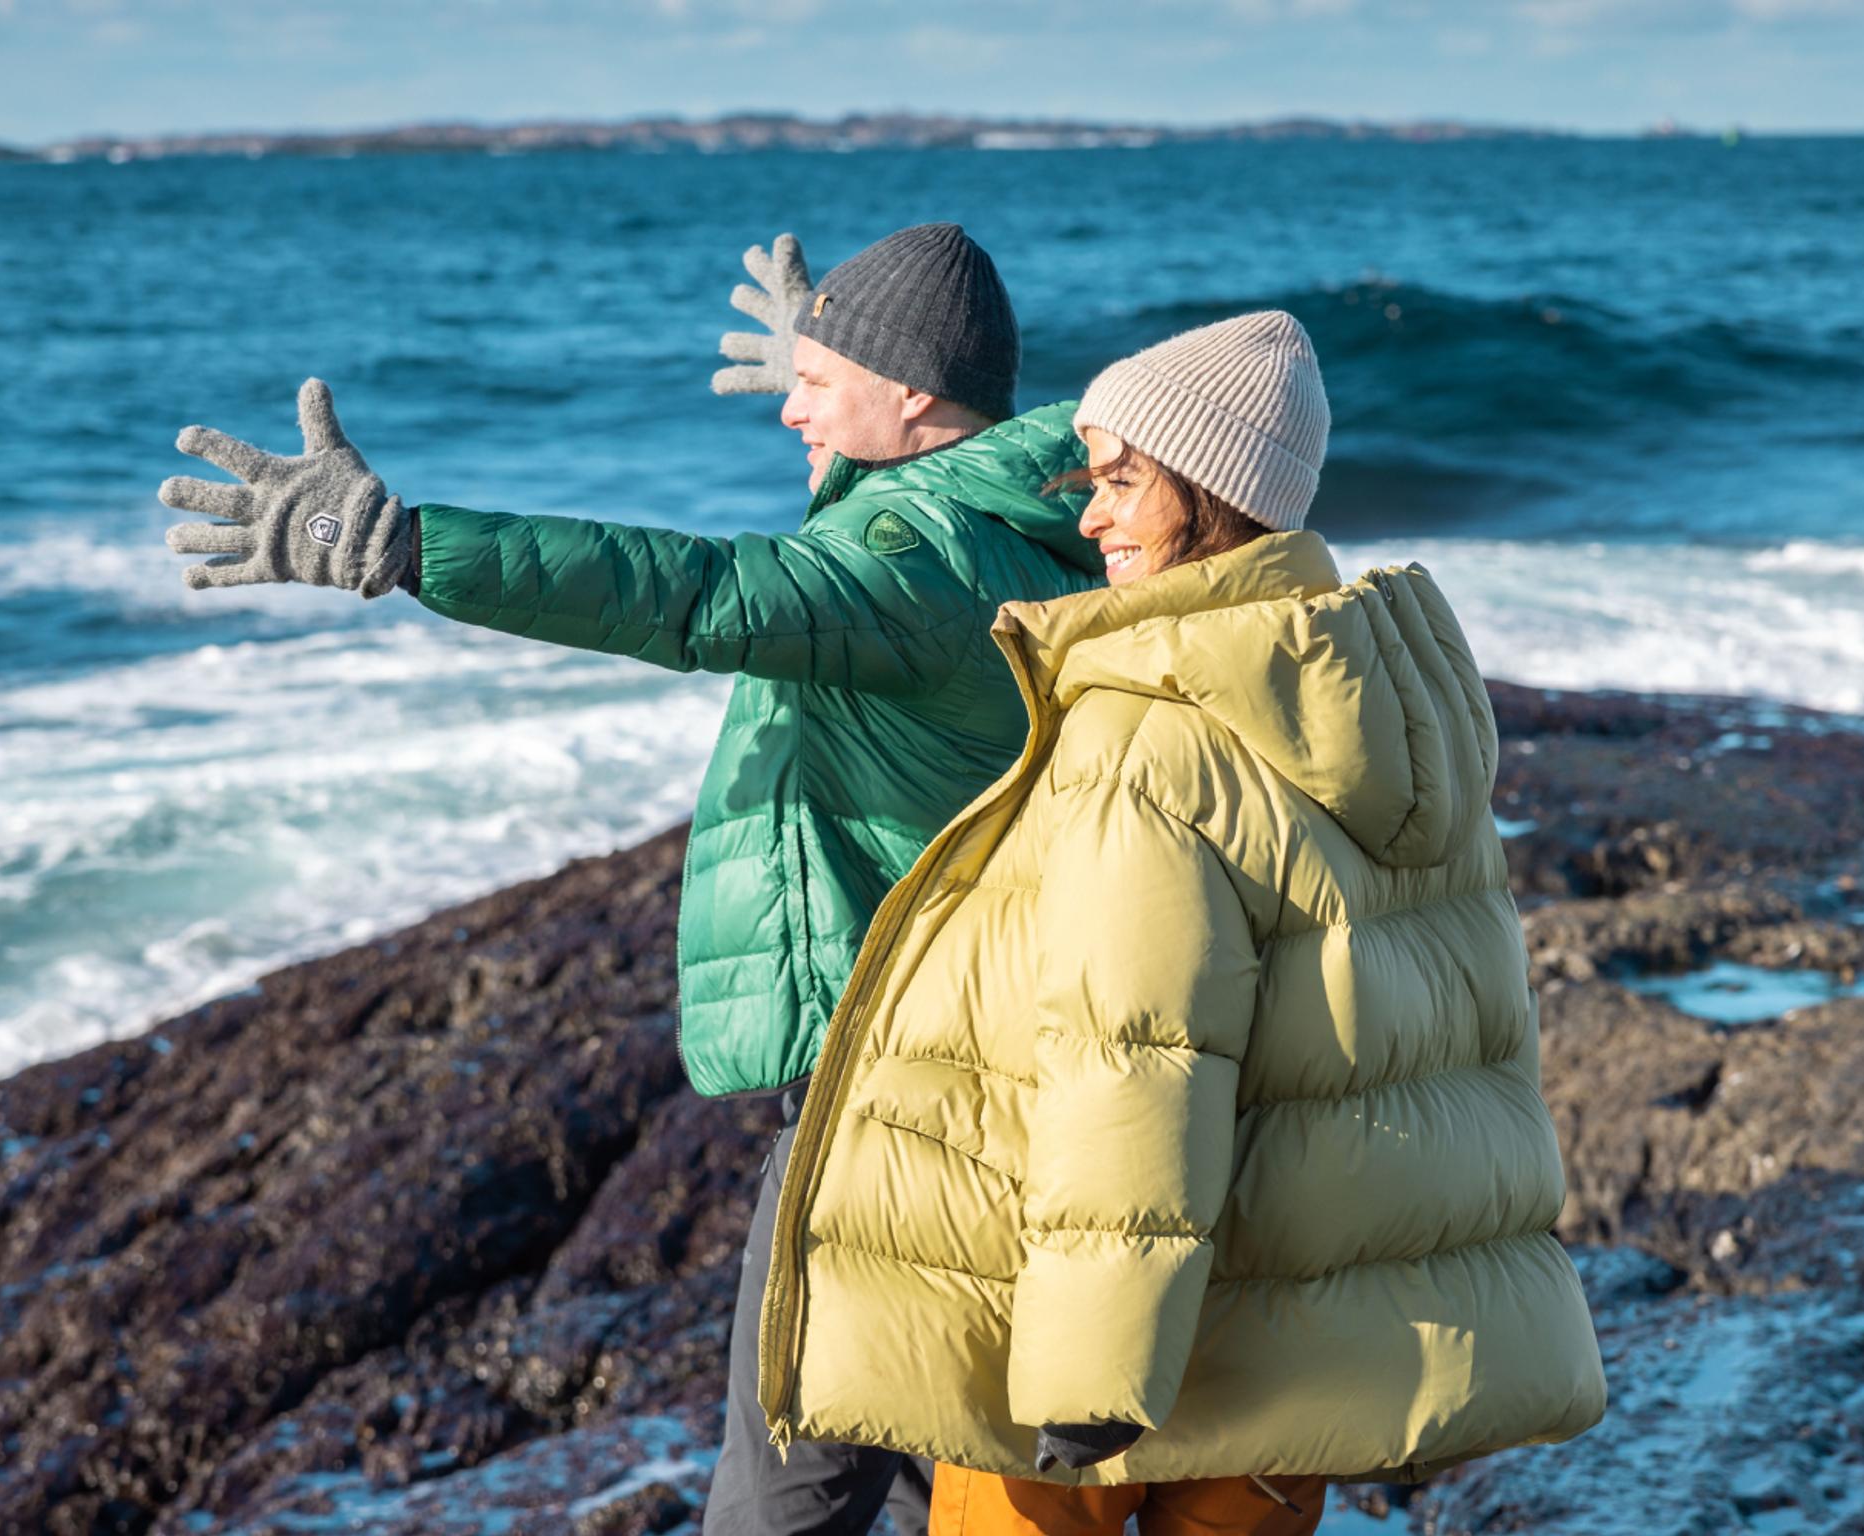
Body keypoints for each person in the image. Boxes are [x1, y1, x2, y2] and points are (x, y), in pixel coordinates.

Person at [157, 222, 1104, 1535]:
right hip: (955, 1077)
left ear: (917, 398)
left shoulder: (915, 564)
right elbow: (861, 546)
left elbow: (688, 592)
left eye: (815, 381)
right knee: (930, 1472)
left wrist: (412, 546)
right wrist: (843, 389)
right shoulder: (988, 530)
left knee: (789, 1501)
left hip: (893, 1108)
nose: (787, 403)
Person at [754, 311, 1608, 1535]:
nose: (1088, 518)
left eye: (1118, 483)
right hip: (1307, 1341)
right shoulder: (1385, 695)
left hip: (1104, 1372)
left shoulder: (1150, 728)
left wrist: (1084, 1379)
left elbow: (1136, 1060)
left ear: (1208, 494)